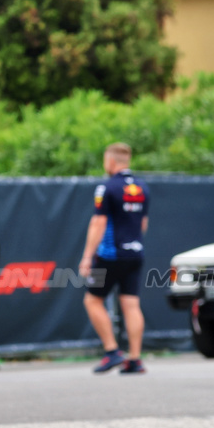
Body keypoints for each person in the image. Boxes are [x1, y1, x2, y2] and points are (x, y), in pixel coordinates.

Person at [80, 142, 149, 375]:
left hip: (110, 256)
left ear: (110, 161)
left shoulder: (106, 188)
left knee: (92, 300)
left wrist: (88, 256)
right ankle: (135, 359)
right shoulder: (142, 187)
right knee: (131, 304)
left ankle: (112, 351)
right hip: (135, 253)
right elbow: (143, 224)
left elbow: (98, 222)